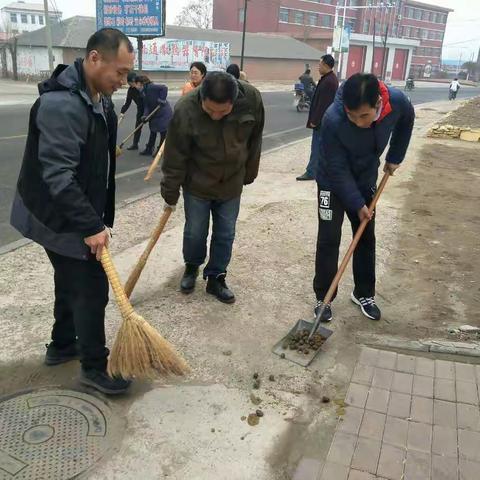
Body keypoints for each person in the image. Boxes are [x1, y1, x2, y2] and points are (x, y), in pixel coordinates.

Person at [10, 28, 135, 395]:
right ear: (95, 59)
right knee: (91, 289)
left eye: (127, 74)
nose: (124, 82)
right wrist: (91, 225)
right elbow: (58, 176)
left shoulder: (97, 97)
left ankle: (62, 344)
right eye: (121, 73)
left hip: (71, 209)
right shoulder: (62, 105)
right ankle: (95, 368)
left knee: (69, 279)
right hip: (57, 214)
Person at [313, 73, 415, 323]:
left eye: (364, 116)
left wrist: (395, 156)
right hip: (331, 182)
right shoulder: (333, 119)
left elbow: (407, 121)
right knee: (328, 238)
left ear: (379, 103)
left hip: (366, 179)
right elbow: (336, 167)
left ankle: (364, 293)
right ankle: (324, 297)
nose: (358, 122)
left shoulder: (398, 102)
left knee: (366, 237)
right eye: (352, 115)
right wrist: (357, 204)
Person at [161, 72, 265, 303]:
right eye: (210, 112)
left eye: (223, 112)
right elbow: (175, 155)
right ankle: (192, 266)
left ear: (234, 100)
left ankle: (216, 276)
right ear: (201, 98)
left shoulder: (252, 99)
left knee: (225, 233)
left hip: (231, 182)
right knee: (195, 232)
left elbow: (255, 139)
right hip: (198, 182)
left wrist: (250, 172)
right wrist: (170, 190)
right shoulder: (186, 109)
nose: (216, 117)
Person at [296, 54, 338, 181]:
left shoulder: (329, 81)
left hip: (322, 122)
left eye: (320, 65)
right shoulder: (327, 78)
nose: (318, 67)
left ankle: (311, 172)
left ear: (326, 65)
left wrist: (315, 120)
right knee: (321, 147)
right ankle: (319, 170)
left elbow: (324, 104)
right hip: (323, 121)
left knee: (317, 147)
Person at [134, 75, 173, 156]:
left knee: (163, 132)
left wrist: (162, 99)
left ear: (140, 83)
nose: (135, 86)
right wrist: (145, 116)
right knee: (153, 130)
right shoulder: (143, 92)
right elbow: (147, 106)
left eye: (136, 84)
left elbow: (164, 88)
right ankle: (149, 148)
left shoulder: (151, 87)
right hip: (154, 113)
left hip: (163, 112)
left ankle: (160, 151)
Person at [118, 71, 144, 150]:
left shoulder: (144, 86)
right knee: (138, 127)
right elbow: (127, 102)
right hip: (140, 110)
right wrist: (122, 112)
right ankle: (135, 144)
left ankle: (153, 146)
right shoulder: (131, 90)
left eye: (131, 82)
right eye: (129, 83)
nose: (130, 84)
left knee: (155, 127)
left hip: (150, 108)